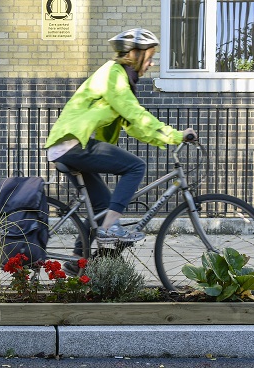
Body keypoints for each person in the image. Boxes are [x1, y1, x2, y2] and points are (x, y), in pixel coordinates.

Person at [44, 28, 196, 274]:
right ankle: (110, 228)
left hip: (68, 147)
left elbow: (135, 126)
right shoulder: (113, 74)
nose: (152, 62)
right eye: (149, 56)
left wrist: (168, 137)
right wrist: (175, 135)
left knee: (102, 204)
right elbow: (135, 114)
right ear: (134, 54)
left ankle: (76, 259)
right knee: (135, 166)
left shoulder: (121, 78)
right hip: (72, 144)